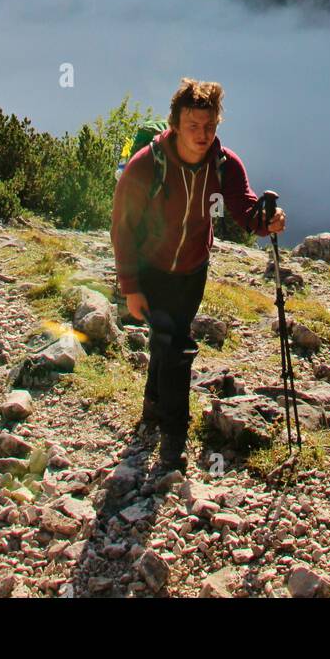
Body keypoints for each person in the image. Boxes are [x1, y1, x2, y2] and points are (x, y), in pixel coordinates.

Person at [111, 78, 285, 472]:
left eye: (209, 126)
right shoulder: (145, 166)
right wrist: (130, 287)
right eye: (193, 126)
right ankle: (174, 437)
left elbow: (243, 210)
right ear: (175, 124)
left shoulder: (224, 165)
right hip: (151, 267)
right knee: (175, 347)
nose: (203, 134)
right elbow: (122, 228)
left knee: (166, 342)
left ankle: (153, 406)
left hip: (193, 269)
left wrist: (266, 221)